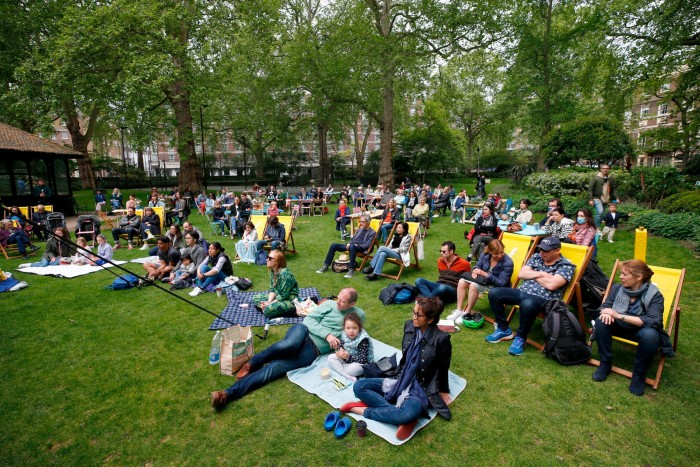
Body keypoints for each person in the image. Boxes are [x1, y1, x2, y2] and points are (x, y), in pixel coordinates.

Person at [211, 288, 365, 410]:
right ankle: (254, 362)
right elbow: (309, 320)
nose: (337, 302)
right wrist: (328, 335)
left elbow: (353, 338)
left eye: (342, 301)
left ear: (351, 304)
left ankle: (226, 394)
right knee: (289, 345)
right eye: (338, 298)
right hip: (303, 331)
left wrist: (344, 351)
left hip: (314, 349)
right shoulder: (329, 304)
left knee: (274, 369)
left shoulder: (359, 315)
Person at [341, 296, 452, 441]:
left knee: (406, 414)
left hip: (421, 387)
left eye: (418, 315)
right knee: (359, 386)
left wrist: (443, 390)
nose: (413, 317)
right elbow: (406, 359)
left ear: (430, 320)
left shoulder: (441, 339)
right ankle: (399, 416)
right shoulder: (409, 326)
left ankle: (364, 410)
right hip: (401, 378)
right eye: (413, 312)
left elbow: (443, 366)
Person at [486, 236, 575, 356]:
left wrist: (532, 275)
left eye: (546, 250)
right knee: (494, 293)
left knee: (527, 304)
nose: (542, 252)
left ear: (557, 250)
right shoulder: (536, 256)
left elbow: (552, 285)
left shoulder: (566, 265)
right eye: (541, 249)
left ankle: (521, 337)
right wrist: (542, 274)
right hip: (522, 291)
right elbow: (522, 274)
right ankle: (503, 329)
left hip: (544, 298)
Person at [591, 260, 669, 396]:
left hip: (640, 329)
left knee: (651, 335)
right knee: (601, 321)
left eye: (625, 274)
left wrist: (618, 315)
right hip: (619, 327)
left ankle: (639, 375)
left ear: (639, 277)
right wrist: (606, 312)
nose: (620, 277)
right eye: (621, 273)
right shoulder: (617, 288)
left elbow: (653, 321)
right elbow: (605, 306)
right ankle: (605, 363)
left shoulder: (655, 295)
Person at [445, 239, 514, 325]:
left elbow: (502, 283)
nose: (500, 255)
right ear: (490, 251)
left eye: (502, 252)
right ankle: (459, 310)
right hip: (484, 281)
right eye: (496, 253)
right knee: (462, 281)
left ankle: (467, 312)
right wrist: (475, 270)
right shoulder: (485, 255)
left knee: (474, 285)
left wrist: (485, 274)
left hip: (497, 286)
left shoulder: (508, 263)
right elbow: (477, 266)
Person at [317, 214, 376, 278]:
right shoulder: (359, 230)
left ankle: (351, 270)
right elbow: (353, 239)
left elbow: (367, 245)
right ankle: (325, 266)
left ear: (368, 222)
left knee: (352, 246)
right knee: (333, 245)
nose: (360, 223)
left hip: (361, 248)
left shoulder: (372, 232)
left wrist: (354, 245)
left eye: (362, 221)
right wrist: (349, 243)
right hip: (352, 246)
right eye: (360, 221)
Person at [327, 311, 374, 382]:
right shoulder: (344, 333)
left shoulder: (363, 340)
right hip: (347, 358)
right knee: (330, 357)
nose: (351, 331)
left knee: (354, 369)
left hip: (361, 362)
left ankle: (342, 368)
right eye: (348, 328)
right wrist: (340, 351)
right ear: (344, 328)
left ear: (359, 328)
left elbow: (363, 359)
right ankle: (346, 375)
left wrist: (347, 357)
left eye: (354, 328)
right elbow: (341, 343)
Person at [252, 250, 299, 318]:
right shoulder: (272, 271)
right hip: (278, 297)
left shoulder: (285, 274)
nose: (267, 259)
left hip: (289, 300)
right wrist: (268, 302)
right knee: (255, 298)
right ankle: (272, 309)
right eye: (268, 257)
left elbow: (283, 296)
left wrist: (269, 304)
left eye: (270, 258)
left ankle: (292, 310)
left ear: (277, 262)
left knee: (268, 310)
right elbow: (273, 290)